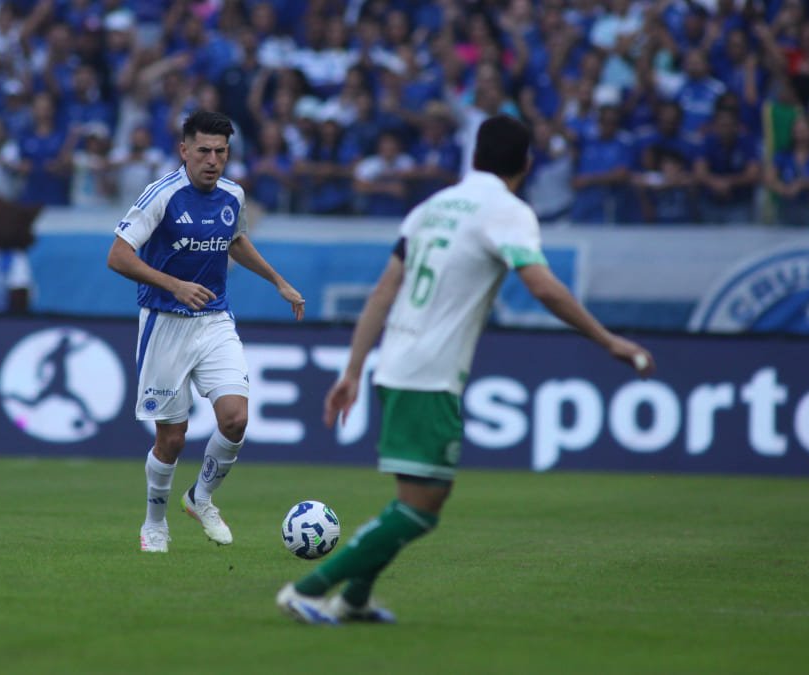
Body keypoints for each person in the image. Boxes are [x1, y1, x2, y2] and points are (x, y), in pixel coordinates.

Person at [275, 115, 655, 625]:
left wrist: (353, 369)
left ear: (474, 155)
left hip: (398, 362)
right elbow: (542, 287)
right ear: (526, 164)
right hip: (429, 372)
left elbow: (383, 291)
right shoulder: (508, 211)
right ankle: (308, 588)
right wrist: (608, 339)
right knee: (424, 505)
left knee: (414, 495)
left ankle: (354, 599)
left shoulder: (430, 208)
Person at [106, 110, 306, 554]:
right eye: (203, 151)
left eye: (221, 152)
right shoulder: (162, 195)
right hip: (165, 323)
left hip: (215, 320)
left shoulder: (233, 195)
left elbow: (236, 241)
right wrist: (174, 284)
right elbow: (118, 256)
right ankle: (155, 522)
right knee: (171, 439)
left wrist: (278, 281)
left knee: (235, 418)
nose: (212, 160)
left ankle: (201, 497)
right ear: (184, 151)